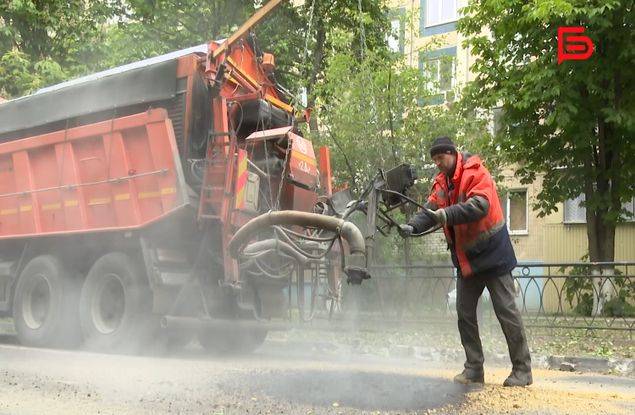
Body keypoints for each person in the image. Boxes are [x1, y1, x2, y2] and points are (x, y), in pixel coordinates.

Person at [399, 136, 532, 387]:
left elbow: (480, 205)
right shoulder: (441, 183)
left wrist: (445, 215)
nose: (438, 163)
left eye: (441, 158)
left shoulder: (475, 171)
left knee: (507, 312)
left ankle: (523, 371)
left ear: (452, 154)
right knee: (465, 313)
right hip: (468, 261)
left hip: (493, 256)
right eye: (434, 159)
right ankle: (474, 369)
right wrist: (411, 227)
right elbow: (429, 211)